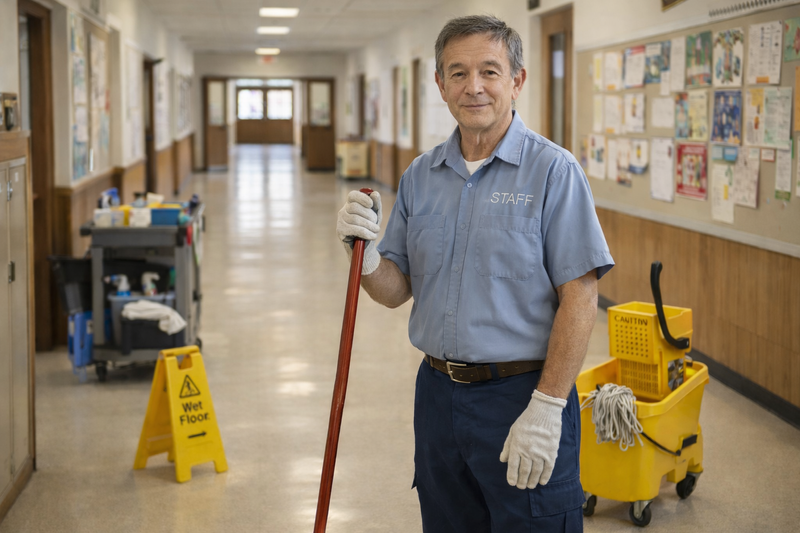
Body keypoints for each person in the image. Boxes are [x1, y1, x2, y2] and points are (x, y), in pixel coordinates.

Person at [336, 15, 614, 533]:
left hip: (522, 395)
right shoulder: (421, 176)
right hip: (438, 396)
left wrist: (548, 405)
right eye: (458, 73)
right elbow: (397, 291)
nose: (475, 87)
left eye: (490, 70)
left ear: (517, 80)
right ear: (440, 85)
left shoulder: (554, 172)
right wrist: (368, 258)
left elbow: (581, 298)